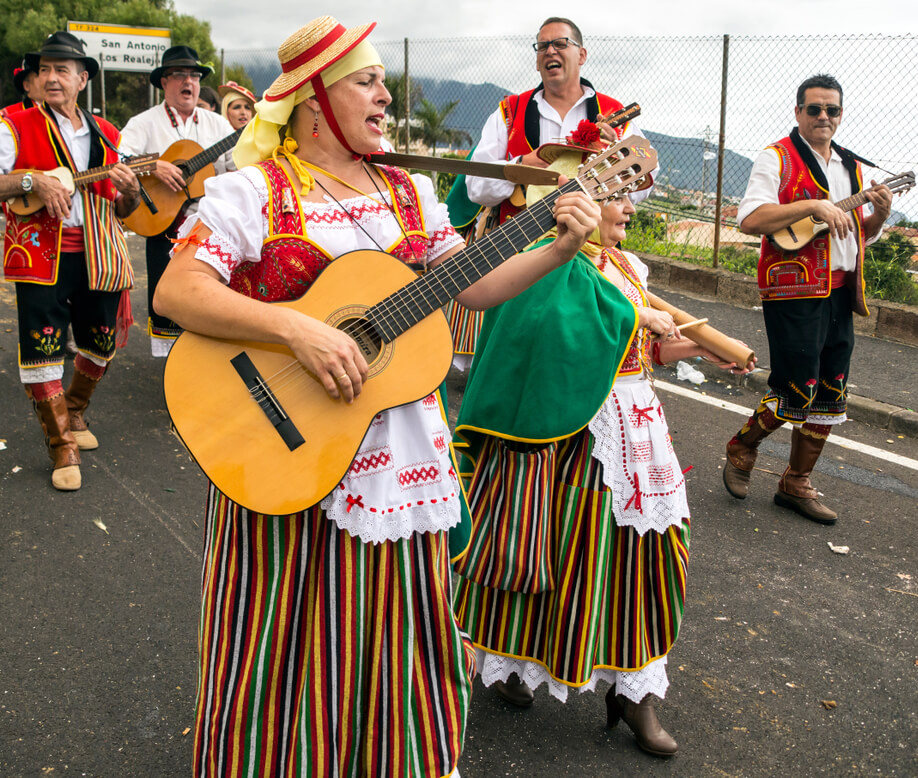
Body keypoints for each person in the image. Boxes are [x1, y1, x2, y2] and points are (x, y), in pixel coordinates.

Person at [152, 16, 600, 775]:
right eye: (367, 81)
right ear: (316, 97)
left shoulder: (412, 194)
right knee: (283, 634)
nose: (385, 96)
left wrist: (557, 245)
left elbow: (479, 286)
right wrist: (298, 332)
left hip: (398, 463)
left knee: (401, 633)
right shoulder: (252, 189)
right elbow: (178, 290)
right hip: (283, 453)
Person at [450, 135, 745, 758]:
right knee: (565, 556)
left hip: (641, 431)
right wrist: (632, 320)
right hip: (571, 438)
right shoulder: (548, 260)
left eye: (633, 193)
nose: (629, 205)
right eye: (617, 194)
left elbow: (652, 351)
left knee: (652, 554)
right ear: (576, 197)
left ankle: (634, 694)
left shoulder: (627, 269)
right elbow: (547, 342)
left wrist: (704, 350)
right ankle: (513, 667)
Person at [722, 74, 893, 524]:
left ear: (840, 115)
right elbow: (751, 219)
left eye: (831, 110)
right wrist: (811, 206)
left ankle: (796, 482)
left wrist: (879, 215)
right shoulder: (776, 157)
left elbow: (860, 236)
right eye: (814, 109)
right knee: (798, 384)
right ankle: (743, 446)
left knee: (832, 389)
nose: (823, 117)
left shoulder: (853, 169)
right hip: (793, 289)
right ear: (798, 112)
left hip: (840, 290)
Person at [446, 16, 658, 363]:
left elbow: (640, 188)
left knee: (576, 355)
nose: (550, 51)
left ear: (582, 54)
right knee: (513, 357)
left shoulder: (616, 115)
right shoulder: (508, 112)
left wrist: (611, 155)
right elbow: (477, 189)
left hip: (589, 261)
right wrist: (521, 167)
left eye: (560, 43)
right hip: (516, 254)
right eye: (542, 46)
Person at [0, 32, 140, 490]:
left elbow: (124, 210)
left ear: (82, 80)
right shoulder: (14, 124)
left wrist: (132, 192)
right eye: (45, 69)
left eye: (63, 70)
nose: (52, 77)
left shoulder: (108, 133)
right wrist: (30, 182)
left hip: (99, 253)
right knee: (42, 349)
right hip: (41, 252)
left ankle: (75, 410)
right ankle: (63, 446)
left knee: (100, 344)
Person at [118, 45, 233, 357]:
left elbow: (237, 169)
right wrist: (153, 165)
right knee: (166, 298)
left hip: (208, 227)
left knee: (208, 297)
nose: (190, 82)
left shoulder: (217, 125)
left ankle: (205, 364)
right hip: (161, 221)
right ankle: (172, 368)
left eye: (194, 76)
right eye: (180, 75)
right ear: (164, 82)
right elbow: (117, 159)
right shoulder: (143, 123)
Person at [213, 80, 256, 174]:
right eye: (237, 107)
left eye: (247, 108)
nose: (243, 112)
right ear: (226, 111)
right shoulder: (215, 138)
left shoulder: (259, 139)